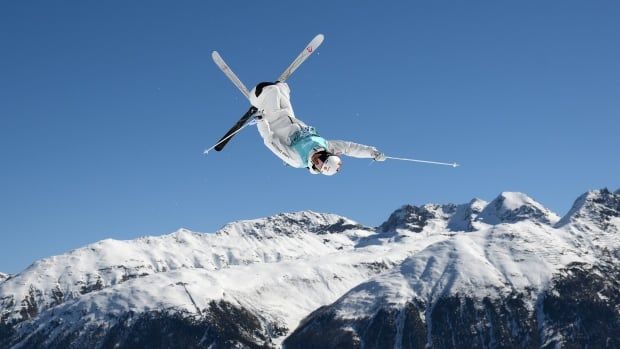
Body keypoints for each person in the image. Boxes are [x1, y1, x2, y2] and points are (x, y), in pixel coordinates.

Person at [248, 81, 386, 176]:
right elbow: (350, 148)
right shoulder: (327, 146)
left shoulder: (297, 160)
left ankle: (256, 99)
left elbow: (270, 141)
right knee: (283, 87)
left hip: (272, 120)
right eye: (321, 159)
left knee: (271, 90)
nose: (316, 161)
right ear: (328, 154)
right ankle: (271, 93)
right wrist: (372, 153)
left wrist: (262, 121)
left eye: (318, 166)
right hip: (288, 115)